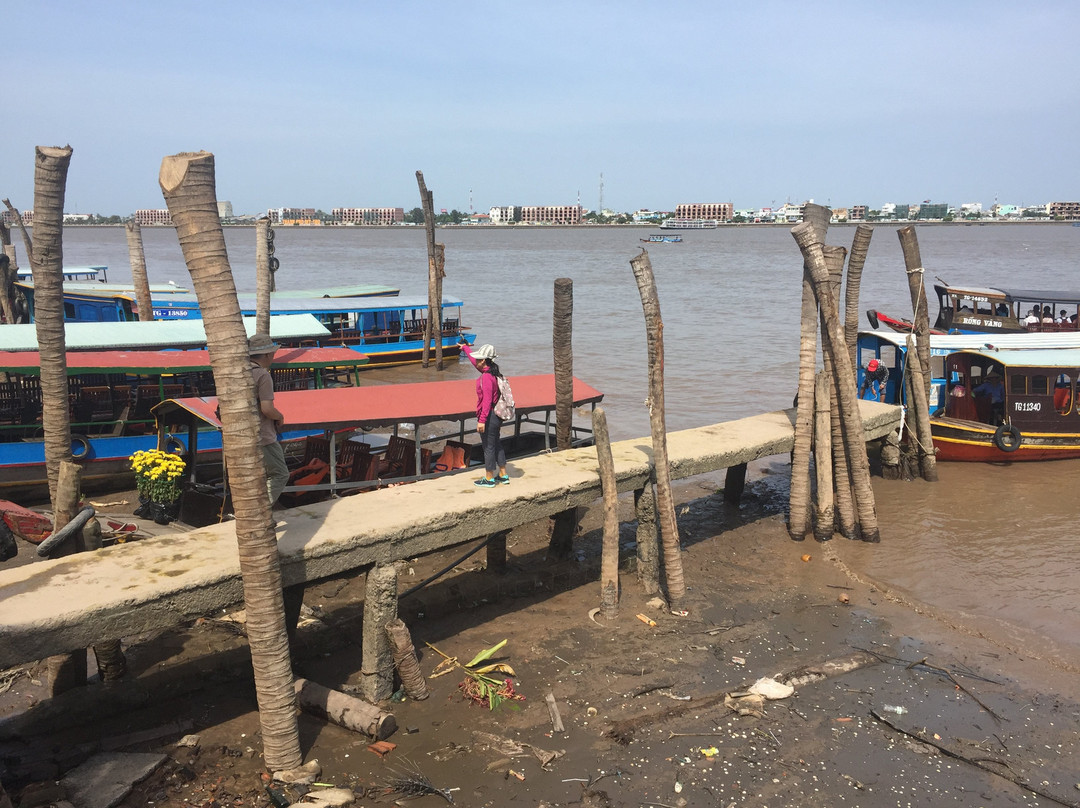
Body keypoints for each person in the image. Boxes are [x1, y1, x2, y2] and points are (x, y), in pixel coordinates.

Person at [249, 332, 289, 506]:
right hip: (263, 436)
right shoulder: (262, 375)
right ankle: (261, 510)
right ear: (266, 354)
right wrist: (280, 416)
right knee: (280, 474)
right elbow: (267, 408)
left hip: (241, 436)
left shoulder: (240, 373)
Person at [461, 340, 508, 487]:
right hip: (496, 415)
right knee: (496, 443)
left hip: (489, 416)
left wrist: (482, 420)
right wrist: (465, 349)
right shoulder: (493, 372)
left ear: (484, 361)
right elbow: (476, 364)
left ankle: (489, 479)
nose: (476, 361)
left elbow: (487, 401)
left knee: (488, 447)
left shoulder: (486, 378)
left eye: (478, 359)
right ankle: (503, 474)